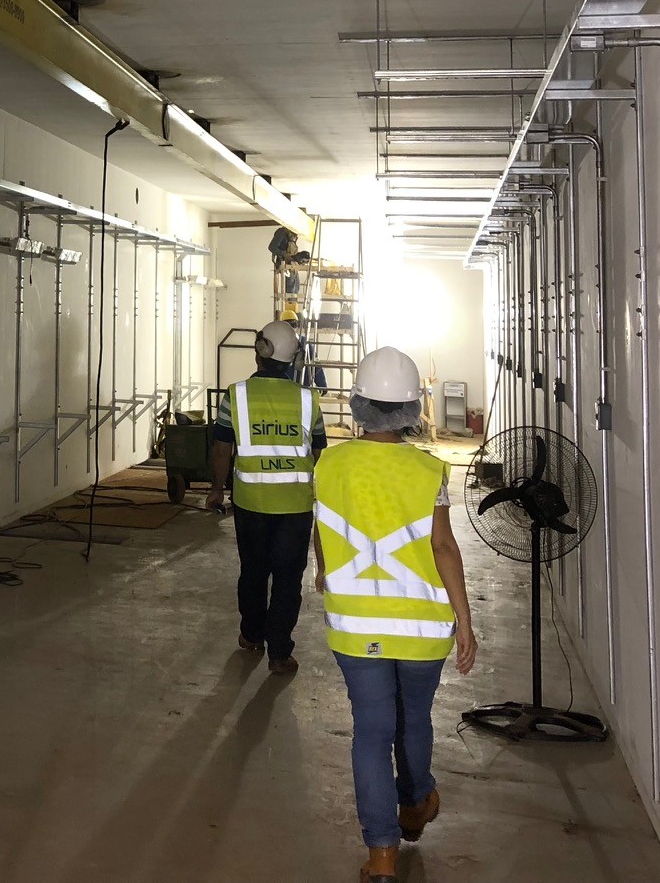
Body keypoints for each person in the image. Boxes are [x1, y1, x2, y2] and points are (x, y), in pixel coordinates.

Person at [311, 346, 480, 883]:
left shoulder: (329, 463)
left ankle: (381, 855)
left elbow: (322, 528)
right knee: (414, 718)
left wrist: (323, 572)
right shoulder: (429, 470)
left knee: (371, 731)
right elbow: (444, 548)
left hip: (356, 626)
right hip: (422, 629)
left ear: (359, 404)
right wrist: (465, 620)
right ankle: (415, 803)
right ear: (411, 410)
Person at [205, 319, 326, 674]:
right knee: (289, 579)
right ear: (293, 360)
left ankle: (251, 635)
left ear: (260, 352)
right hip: (295, 506)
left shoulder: (236, 395)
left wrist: (216, 487)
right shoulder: (308, 400)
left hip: (251, 503)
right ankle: (279, 652)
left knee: (253, 572)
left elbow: (222, 445)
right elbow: (320, 452)